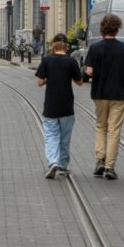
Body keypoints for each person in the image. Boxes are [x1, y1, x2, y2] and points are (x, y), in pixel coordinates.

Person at [84, 13, 124, 180]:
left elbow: (89, 71)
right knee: (114, 131)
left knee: (101, 126)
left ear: (102, 29)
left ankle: (100, 160)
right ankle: (109, 167)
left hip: (99, 93)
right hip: (118, 95)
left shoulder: (95, 48)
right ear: (117, 29)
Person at [36, 33, 83, 178]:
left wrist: (47, 80)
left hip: (51, 105)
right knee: (65, 137)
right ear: (66, 46)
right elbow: (80, 82)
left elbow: (39, 82)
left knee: (51, 135)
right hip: (67, 105)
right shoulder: (71, 61)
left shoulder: (47, 60)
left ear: (53, 45)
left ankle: (53, 162)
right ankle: (63, 165)